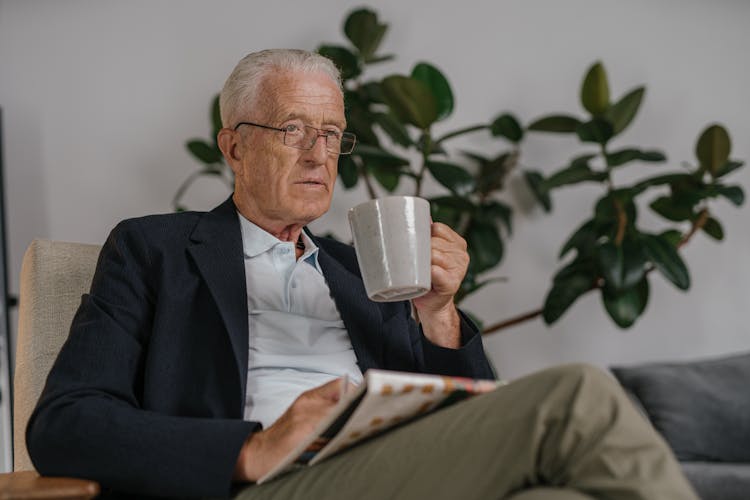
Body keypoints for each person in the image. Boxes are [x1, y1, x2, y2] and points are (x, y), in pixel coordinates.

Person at [26, 49, 698, 500]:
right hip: (276, 484)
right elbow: (65, 425)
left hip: (395, 469)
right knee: (578, 393)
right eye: (294, 129)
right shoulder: (156, 250)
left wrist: (439, 315)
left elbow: (476, 420)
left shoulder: (361, 272)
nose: (320, 155)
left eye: (332, 133)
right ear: (234, 145)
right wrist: (250, 449)